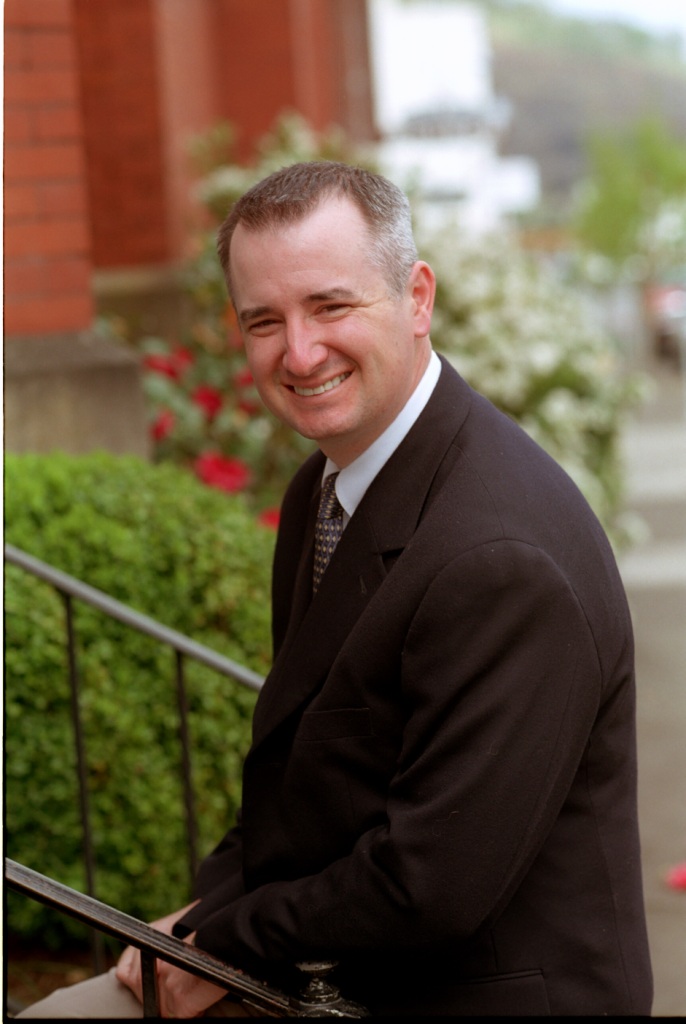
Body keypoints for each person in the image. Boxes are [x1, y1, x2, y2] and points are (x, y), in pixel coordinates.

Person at [19, 161, 653, 1017]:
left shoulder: (499, 560)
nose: (299, 352)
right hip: (346, 966)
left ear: (417, 298)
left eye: (330, 306)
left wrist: (224, 943)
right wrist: (201, 922)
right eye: (264, 321)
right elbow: (302, 787)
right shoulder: (325, 489)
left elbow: (432, 888)